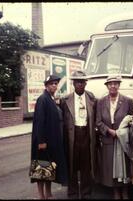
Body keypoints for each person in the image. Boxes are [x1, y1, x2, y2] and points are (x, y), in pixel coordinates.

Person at [96, 74, 133, 199]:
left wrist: (123, 131)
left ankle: (125, 192)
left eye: (116, 83)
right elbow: (98, 121)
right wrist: (108, 131)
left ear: (119, 85)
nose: (113, 86)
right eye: (110, 84)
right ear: (107, 86)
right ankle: (116, 193)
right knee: (111, 168)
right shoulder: (101, 102)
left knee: (124, 167)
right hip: (109, 139)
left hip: (123, 140)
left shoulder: (127, 101)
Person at [60, 70, 97, 199]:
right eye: (77, 82)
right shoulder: (65, 100)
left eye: (82, 82)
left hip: (87, 135)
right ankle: (73, 193)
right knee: (72, 166)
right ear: (73, 83)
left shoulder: (92, 98)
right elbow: (62, 122)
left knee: (86, 167)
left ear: (86, 83)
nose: (80, 84)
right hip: (72, 137)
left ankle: (86, 194)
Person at [30, 75, 68, 199]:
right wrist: (41, 141)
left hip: (51, 142)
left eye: (56, 83)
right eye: (51, 84)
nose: (54, 86)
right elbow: (40, 122)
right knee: (41, 170)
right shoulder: (43, 99)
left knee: (48, 168)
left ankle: (49, 194)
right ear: (46, 86)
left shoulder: (51, 99)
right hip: (43, 143)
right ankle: (42, 196)